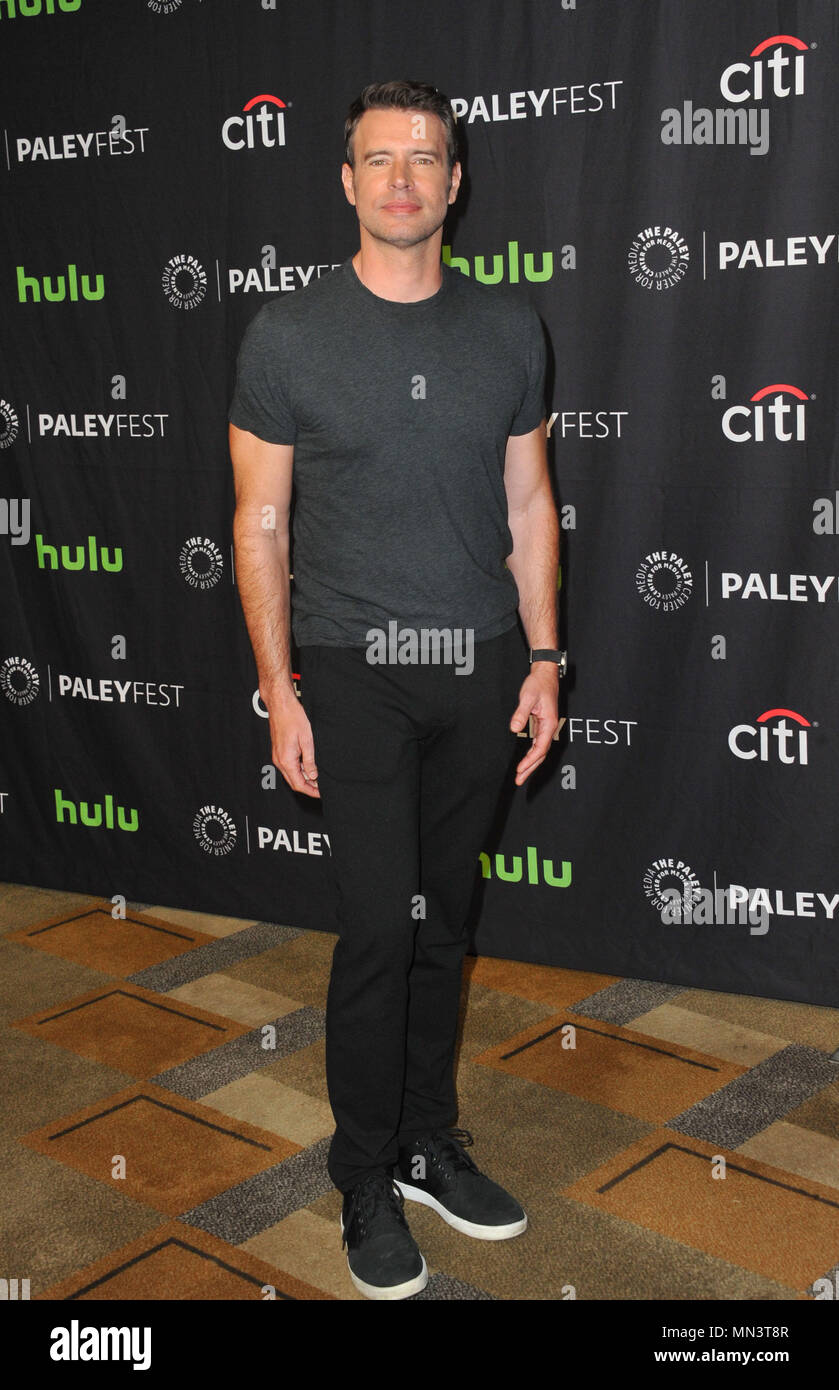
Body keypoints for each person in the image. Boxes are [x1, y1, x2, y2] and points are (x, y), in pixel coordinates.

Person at [228, 79, 562, 1301]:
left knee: (447, 926)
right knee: (379, 928)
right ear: (347, 179)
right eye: (381, 158)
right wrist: (280, 687)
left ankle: (427, 1137)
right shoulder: (288, 334)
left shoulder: (507, 328)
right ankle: (362, 1168)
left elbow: (528, 507)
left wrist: (541, 659)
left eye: (425, 157)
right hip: (356, 672)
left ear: (454, 181)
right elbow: (259, 524)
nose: (404, 178)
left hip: (478, 667)